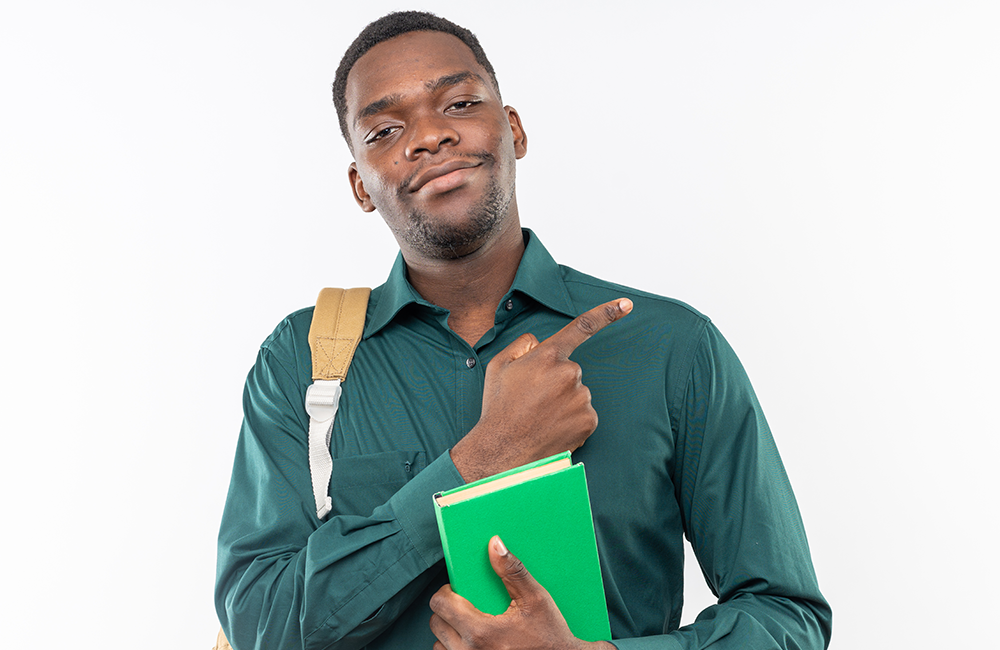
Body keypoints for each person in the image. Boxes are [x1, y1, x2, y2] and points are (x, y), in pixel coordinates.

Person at [216, 10, 832, 650]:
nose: (428, 136)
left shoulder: (674, 347)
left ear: (513, 129)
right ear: (360, 186)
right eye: (385, 129)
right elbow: (259, 625)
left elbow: (787, 618)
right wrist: (481, 461)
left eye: (458, 102)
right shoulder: (302, 362)